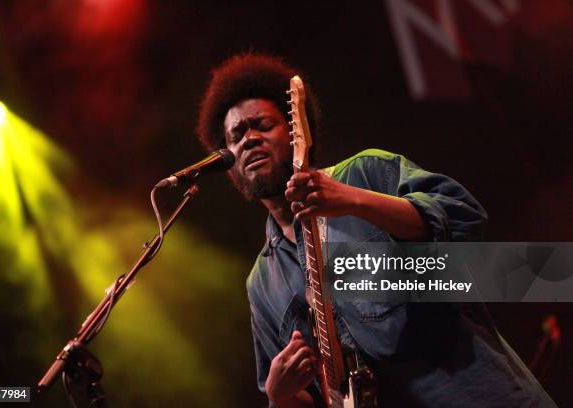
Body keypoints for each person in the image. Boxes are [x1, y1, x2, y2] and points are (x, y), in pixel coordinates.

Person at [196, 53, 555, 407]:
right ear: (230, 169)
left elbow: (464, 220)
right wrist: (280, 395)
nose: (248, 140)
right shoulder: (262, 284)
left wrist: (353, 201)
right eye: (236, 135)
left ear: (295, 130)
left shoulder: (366, 173)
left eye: (262, 124)